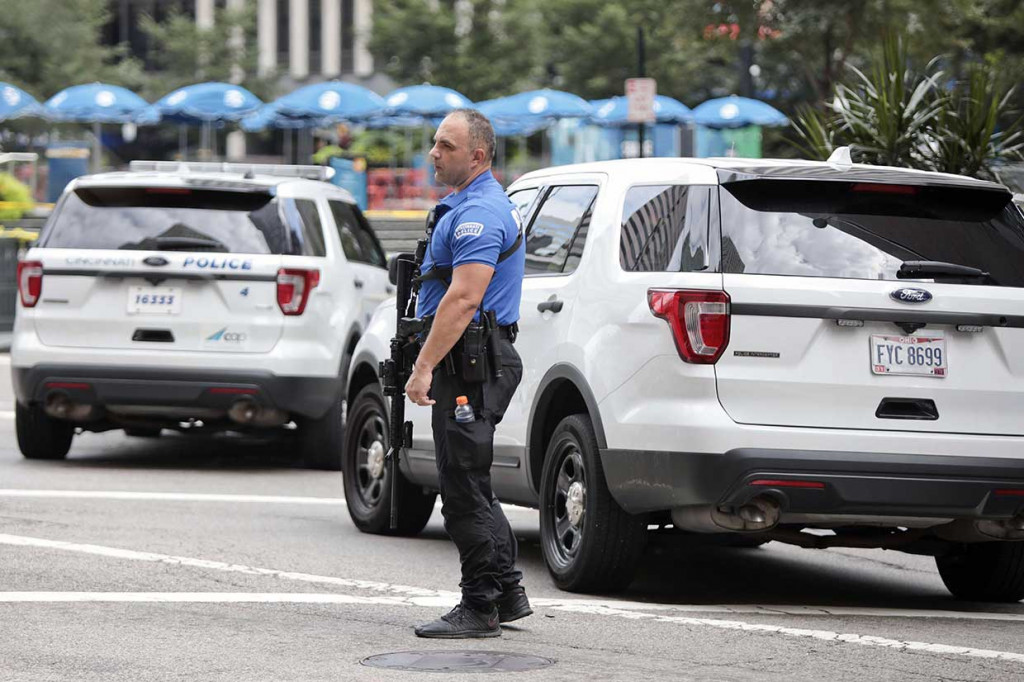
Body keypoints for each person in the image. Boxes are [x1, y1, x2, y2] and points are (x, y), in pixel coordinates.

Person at [405, 108, 531, 639]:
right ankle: (507, 591)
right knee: (470, 480)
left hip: (469, 366)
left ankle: (479, 607)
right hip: (470, 362)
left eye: (445, 145)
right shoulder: (463, 207)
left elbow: (462, 299)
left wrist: (424, 367)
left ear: (477, 155)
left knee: (461, 488)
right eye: (434, 143)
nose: (434, 152)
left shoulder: (481, 214)